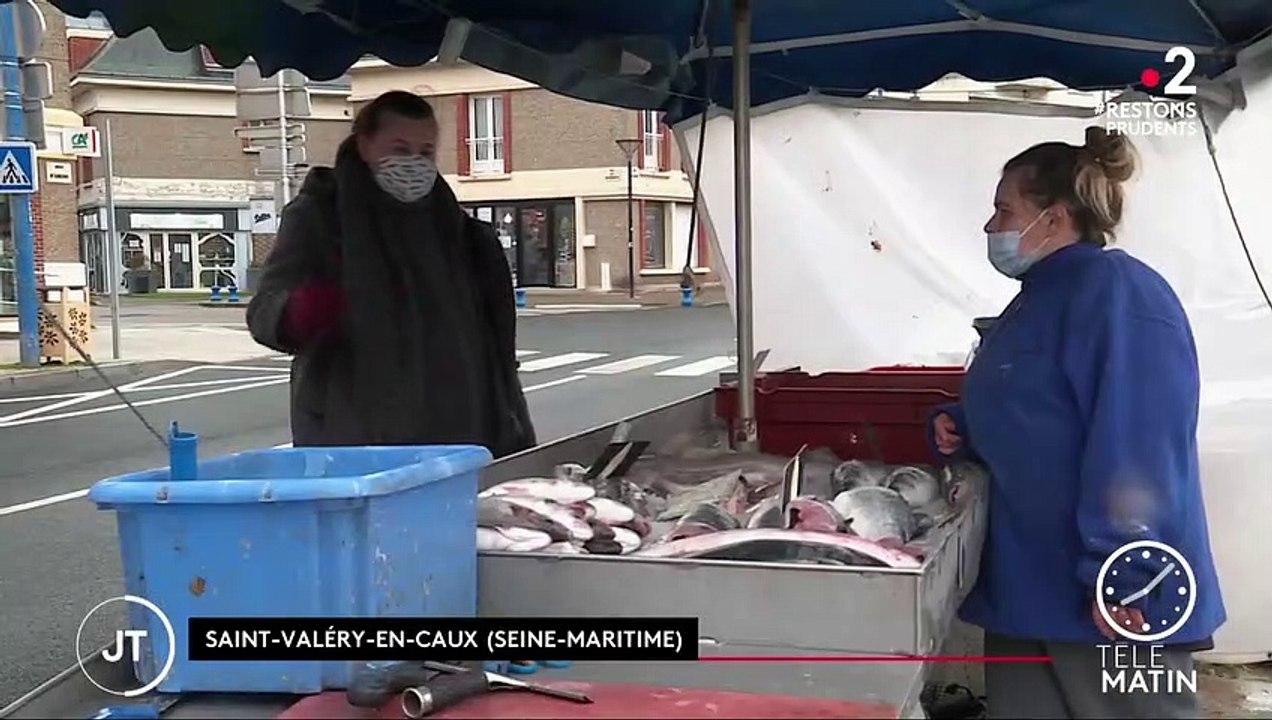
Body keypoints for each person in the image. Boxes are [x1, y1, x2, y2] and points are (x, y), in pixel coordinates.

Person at [929, 126, 1225, 719]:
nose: (991, 227)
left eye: (1003, 209)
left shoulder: (1119, 293)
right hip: (1033, 586)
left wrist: (1127, 572)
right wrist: (961, 423)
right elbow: (1038, 401)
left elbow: (1140, 441)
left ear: (1055, 217)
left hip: (1110, 596)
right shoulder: (1038, 297)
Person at [247, 90, 536, 456]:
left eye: (426, 152)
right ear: (365, 145)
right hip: (358, 440)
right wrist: (299, 312)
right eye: (400, 149)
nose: (414, 163)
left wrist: (514, 431)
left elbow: (498, 351)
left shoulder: (466, 237)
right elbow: (264, 313)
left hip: (462, 437)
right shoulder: (321, 218)